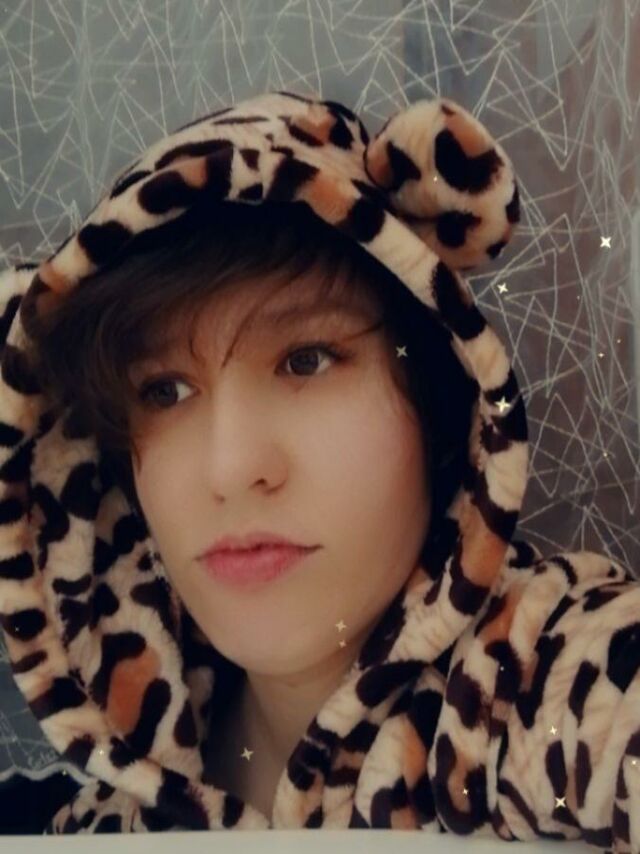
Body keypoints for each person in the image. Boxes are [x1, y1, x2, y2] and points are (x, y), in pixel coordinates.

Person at [0, 91, 637, 848]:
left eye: (306, 360)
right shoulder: (93, 826)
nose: (230, 468)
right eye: (164, 391)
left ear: (440, 408)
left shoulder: (543, 681)